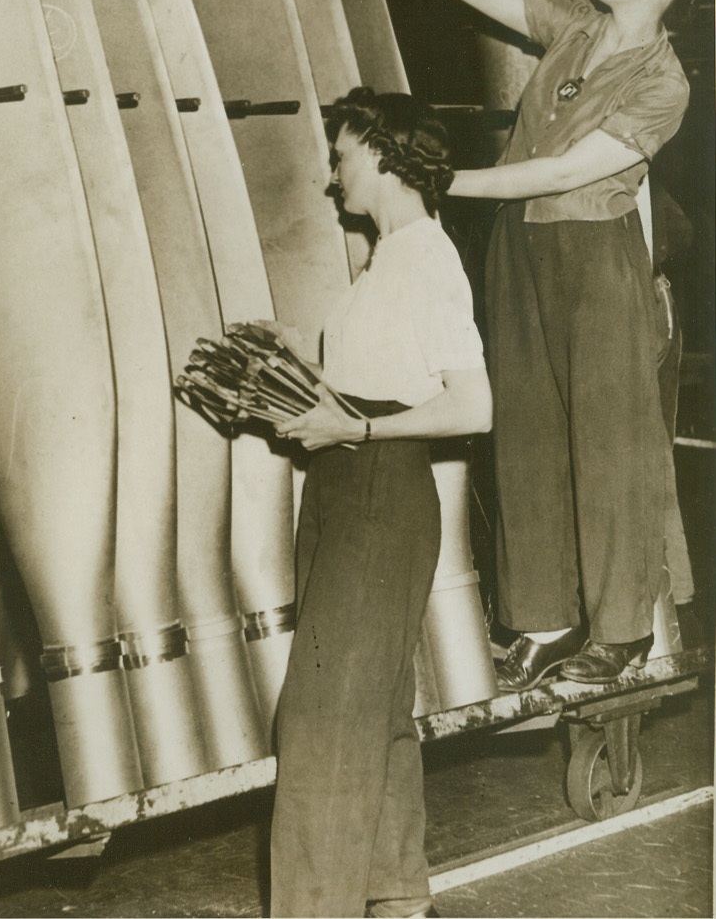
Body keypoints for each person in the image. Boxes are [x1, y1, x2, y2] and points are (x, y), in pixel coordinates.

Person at [317, 0, 692, 690]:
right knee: (523, 433)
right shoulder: (573, 27)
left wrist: (447, 184)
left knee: (609, 441)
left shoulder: (666, 83)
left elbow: (567, 172)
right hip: (520, 249)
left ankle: (623, 629)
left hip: (595, 257)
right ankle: (545, 622)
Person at [269, 90, 492, 918]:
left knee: (320, 721)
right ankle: (396, 898)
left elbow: (474, 405)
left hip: (377, 492)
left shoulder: (429, 256)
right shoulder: (386, 260)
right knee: (372, 706)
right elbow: (375, 382)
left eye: (341, 155)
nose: (333, 176)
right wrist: (300, 365)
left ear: (383, 150)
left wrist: (356, 428)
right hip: (344, 489)